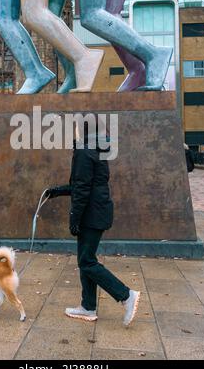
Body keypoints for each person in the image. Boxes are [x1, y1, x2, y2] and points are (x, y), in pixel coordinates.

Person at [46, 123, 140, 327]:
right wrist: (56, 191)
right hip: (97, 212)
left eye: (77, 130)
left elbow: (82, 190)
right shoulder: (96, 152)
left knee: (87, 262)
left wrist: (74, 218)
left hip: (91, 215)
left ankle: (126, 295)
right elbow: (85, 184)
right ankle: (88, 307)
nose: (74, 134)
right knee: (85, 260)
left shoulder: (83, 152)